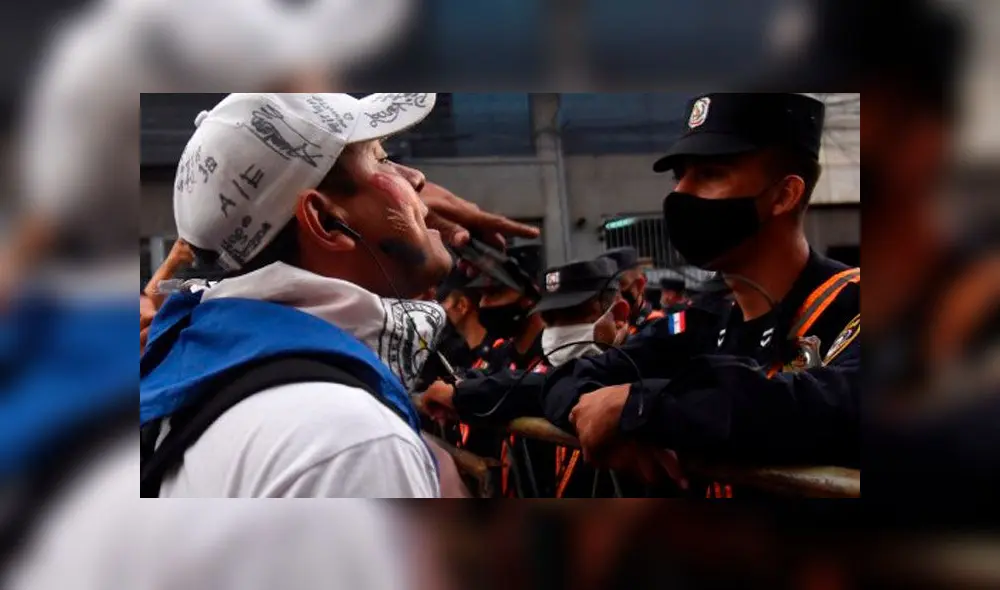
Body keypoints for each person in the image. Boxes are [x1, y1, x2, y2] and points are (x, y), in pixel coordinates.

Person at [139, 92, 539, 498]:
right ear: (327, 222)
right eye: (383, 159)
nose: (417, 179)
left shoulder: (203, 371)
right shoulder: (351, 442)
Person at [542, 93, 861, 494]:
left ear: (784, 195)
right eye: (680, 175)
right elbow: (565, 381)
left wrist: (647, 408)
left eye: (711, 174)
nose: (680, 194)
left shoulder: (855, 303)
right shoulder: (702, 321)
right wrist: (606, 416)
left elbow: (836, 407)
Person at [599, 247, 664, 334]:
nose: (612, 295)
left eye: (619, 285)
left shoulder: (658, 325)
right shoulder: (600, 330)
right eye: (606, 287)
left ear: (639, 285)